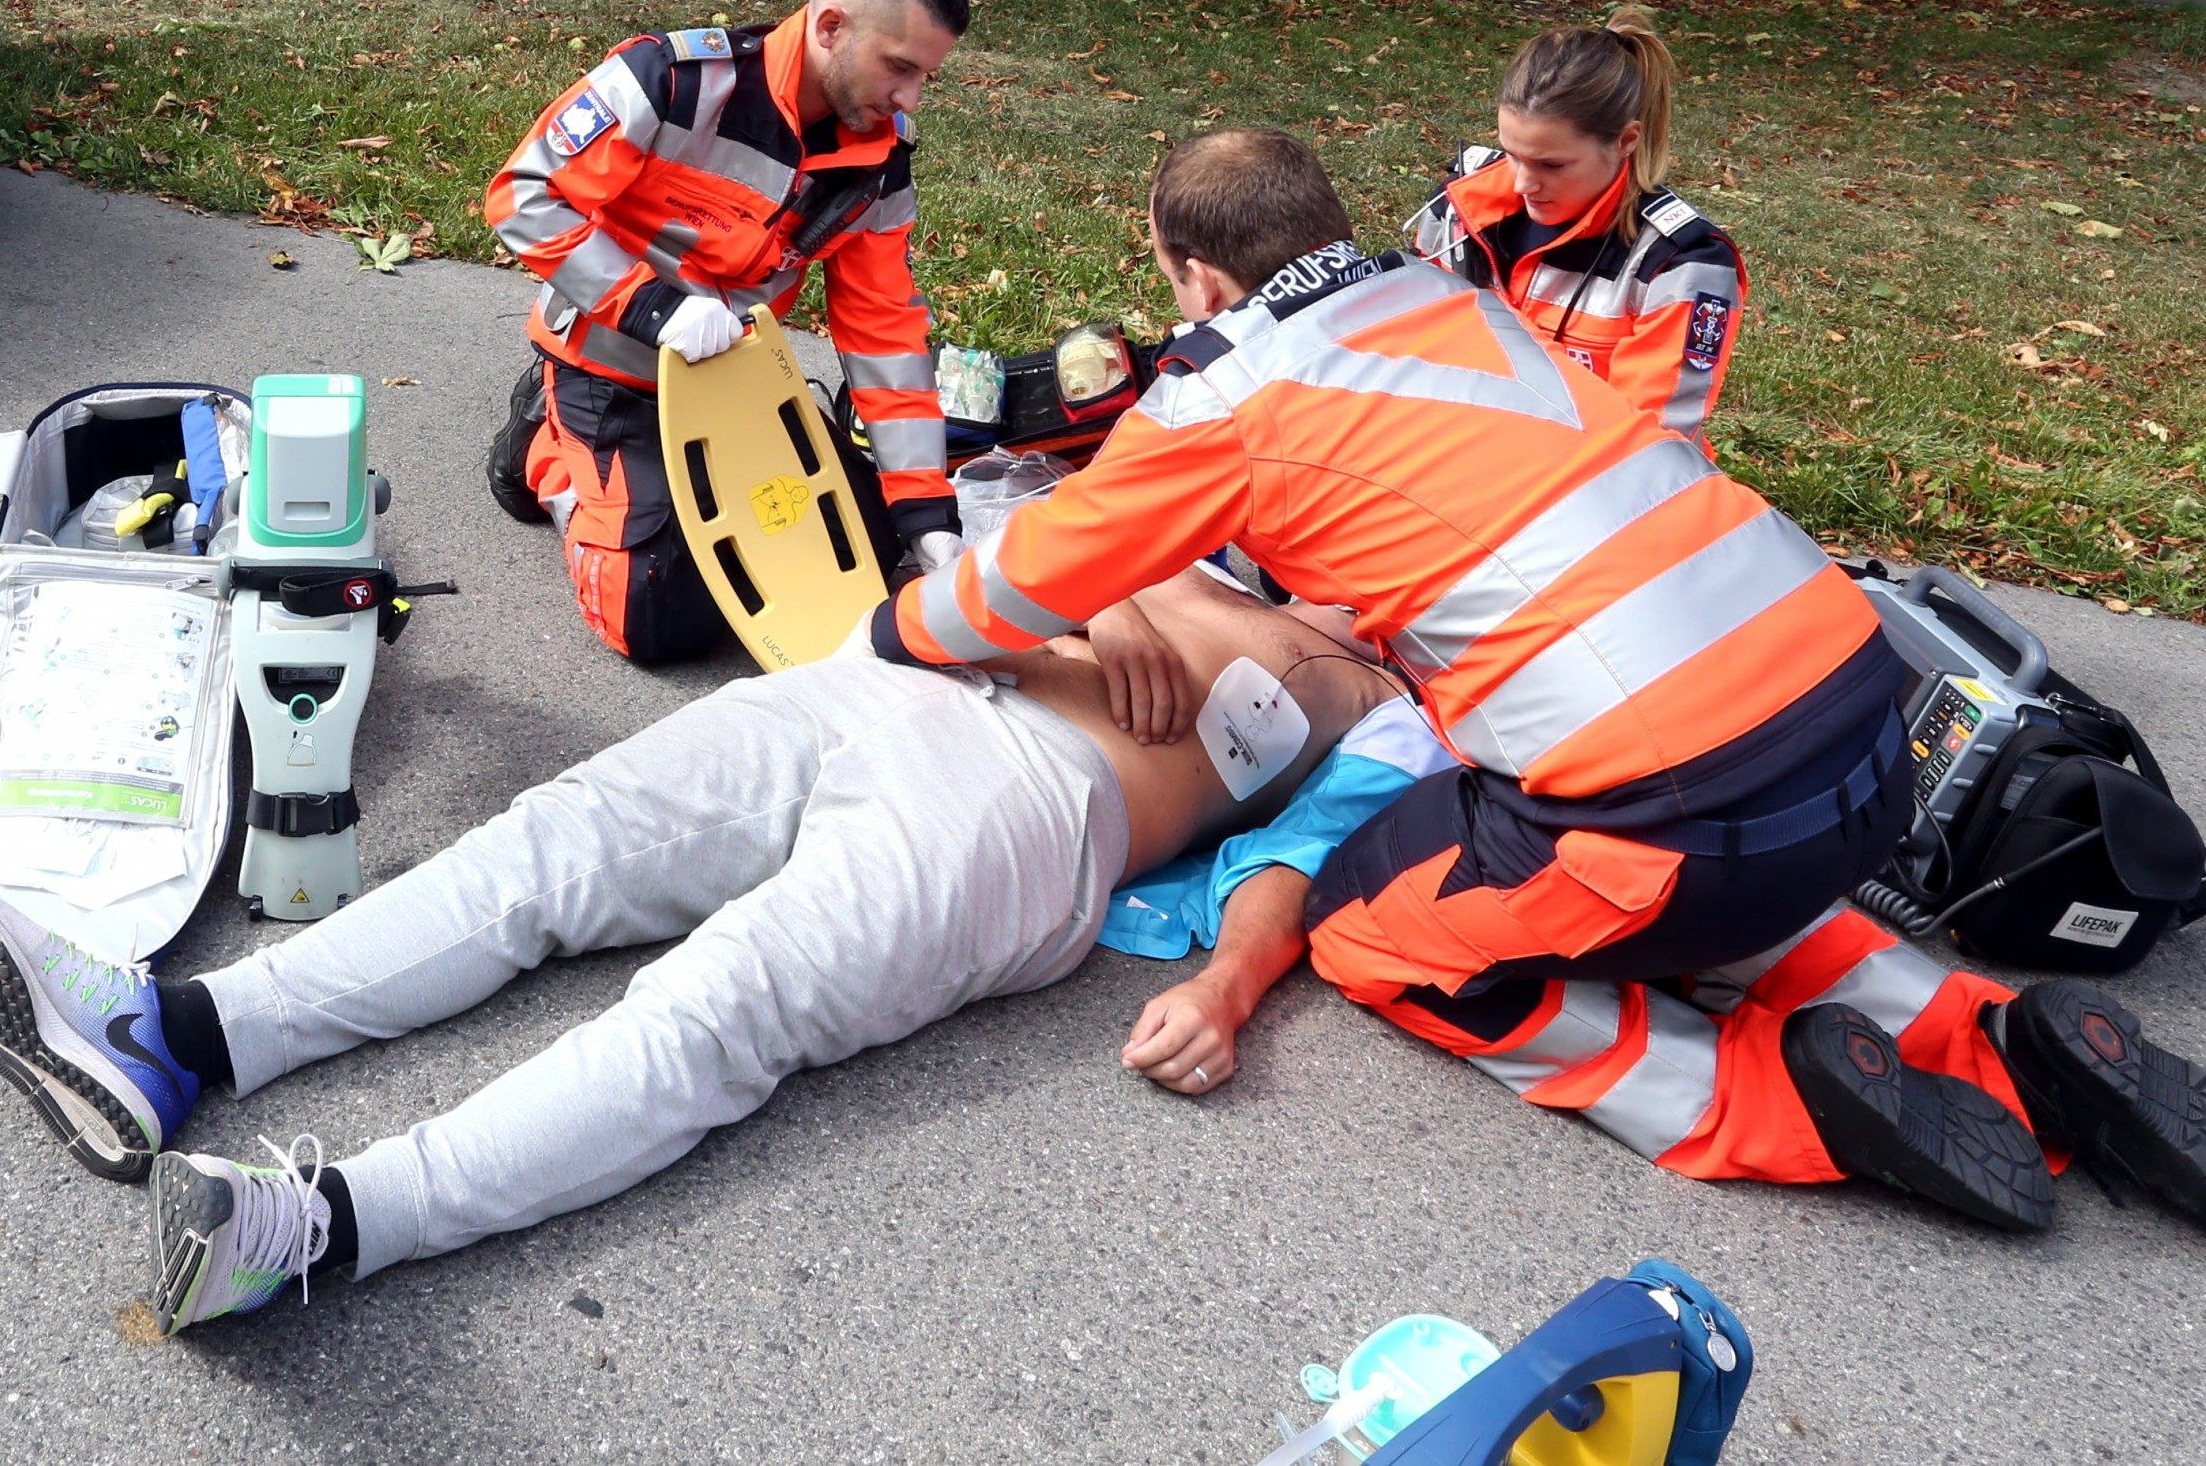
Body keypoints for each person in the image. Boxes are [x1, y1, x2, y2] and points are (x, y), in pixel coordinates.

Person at [888, 126, 2206, 1235]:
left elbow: (1017, 589)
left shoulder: (1217, 394)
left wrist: (901, 623)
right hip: (1868, 733)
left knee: (1378, 927)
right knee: (1674, 865)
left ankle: (1788, 1105)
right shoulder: (1446, 300)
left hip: (1684, 812)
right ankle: (2003, 1037)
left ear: (1189, 269)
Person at [0, 568, 1425, 1332]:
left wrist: (1226, 986)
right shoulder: (1206, 461)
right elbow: (986, 541)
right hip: (890, 673)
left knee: (722, 1003)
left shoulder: (1397, 691)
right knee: (546, 846)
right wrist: (1101, 575)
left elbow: (1302, 852)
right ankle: (178, 1036)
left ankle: (312, 1231)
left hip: (1036, 804)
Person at [477, 0, 966, 663]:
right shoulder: (668, 81)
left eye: (925, 75)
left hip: (736, 387)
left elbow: (884, 333)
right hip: (611, 371)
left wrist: (925, 507)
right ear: (830, 25)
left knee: (863, 553)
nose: (912, 96)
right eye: (899, 66)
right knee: (650, 611)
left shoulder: (878, 161)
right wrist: (653, 307)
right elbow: (524, 195)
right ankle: (545, 448)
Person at [1409, 7, 1745, 444]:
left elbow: (1647, 446)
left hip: (1590, 483)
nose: (1522, 183)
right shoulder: (1460, 204)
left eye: (1551, 164)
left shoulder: (1685, 266)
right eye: (1511, 153)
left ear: (1626, 140)